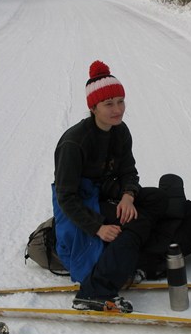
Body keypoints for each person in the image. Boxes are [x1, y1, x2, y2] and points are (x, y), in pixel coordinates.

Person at [53, 60, 167, 313]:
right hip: (83, 201)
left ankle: (130, 253)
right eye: (108, 104)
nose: (117, 110)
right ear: (93, 107)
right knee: (138, 222)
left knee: (158, 199)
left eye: (120, 101)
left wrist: (128, 196)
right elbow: (65, 196)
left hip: (109, 193)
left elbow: (129, 171)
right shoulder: (74, 142)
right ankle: (95, 290)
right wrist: (98, 228)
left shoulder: (120, 130)